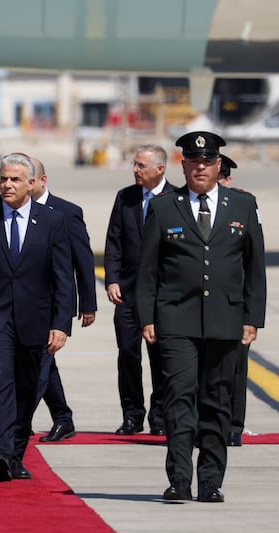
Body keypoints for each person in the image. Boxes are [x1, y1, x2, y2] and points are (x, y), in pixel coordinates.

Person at [137, 131, 265, 503]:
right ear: (183, 165)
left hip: (226, 321)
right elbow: (148, 270)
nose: (200, 168)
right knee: (179, 399)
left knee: (217, 402)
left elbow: (254, 267)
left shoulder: (242, 206)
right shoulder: (164, 207)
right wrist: (147, 315)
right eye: (193, 162)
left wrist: (251, 318)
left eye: (207, 162)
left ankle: (210, 481)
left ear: (219, 165)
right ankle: (179, 479)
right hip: (176, 319)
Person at [0, 153, 74, 482]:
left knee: (27, 389)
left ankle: (15, 453)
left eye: (15, 180)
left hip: (36, 320)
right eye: (3, 179)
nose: (7, 185)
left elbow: (63, 278)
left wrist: (61, 324)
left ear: (32, 184)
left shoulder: (53, 221)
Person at [104, 145, 174, 436]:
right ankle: (132, 415)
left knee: (161, 358)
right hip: (129, 293)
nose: (135, 170)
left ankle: (159, 416)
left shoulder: (177, 199)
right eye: (134, 164)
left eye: (141, 165)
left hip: (163, 295)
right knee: (128, 354)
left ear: (160, 169)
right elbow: (113, 242)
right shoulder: (126, 197)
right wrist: (112, 279)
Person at [29, 157, 97, 442]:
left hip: (56, 304)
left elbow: (83, 260)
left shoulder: (67, 213)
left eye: (27, 177)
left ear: (42, 180)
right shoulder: (7, 209)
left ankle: (14, 419)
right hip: (23, 302)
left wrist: (88, 303)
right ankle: (63, 418)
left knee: (39, 365)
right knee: (44, 364)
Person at [215, 154, 249, 448]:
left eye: (224, 178)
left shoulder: (244, 204)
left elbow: (253, 260)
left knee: (236, 367)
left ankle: (234, 425)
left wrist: (252, 312)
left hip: (234, 300)